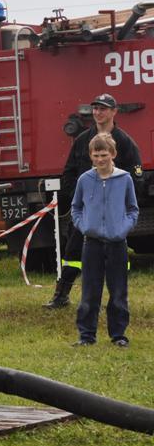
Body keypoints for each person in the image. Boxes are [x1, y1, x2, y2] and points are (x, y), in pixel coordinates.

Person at [44, 93, 143, 309]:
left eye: (103, 109)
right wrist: (79, 201)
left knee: (116, 258)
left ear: (114, 112)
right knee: (72, 253)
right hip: (88, 213)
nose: (98, 113)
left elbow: (135, 180)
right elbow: (69, 173)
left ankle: (117, 300)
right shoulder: (82, 140)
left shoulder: (125, 142)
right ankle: (61, 295)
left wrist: (121, 208)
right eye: (95, 109)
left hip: (113, 215)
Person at [71, 134, 138, 348]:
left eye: (104, 155)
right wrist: (84, 226)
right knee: (90, 290)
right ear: (91, 156)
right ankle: (86, 336)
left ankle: (118, 334)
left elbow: (132, 209)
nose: (100, 159)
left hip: (117, 243)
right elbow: (76, 207)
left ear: (113, 154)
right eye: (96, 155)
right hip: (92, 243)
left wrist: (123, 229)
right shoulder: (84, 180)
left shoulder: (124, 179)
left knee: (118, 290)